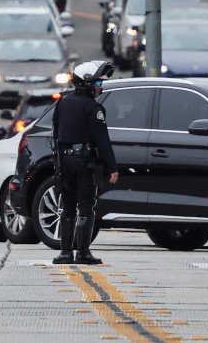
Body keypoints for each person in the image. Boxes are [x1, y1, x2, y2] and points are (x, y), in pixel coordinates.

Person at [51, 60, 118, 265]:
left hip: (64, 161)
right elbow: (102, 140)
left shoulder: (62, 102)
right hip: (84, 162)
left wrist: (58, 163)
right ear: (87, 82)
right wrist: (112, 168)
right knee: (86, 206)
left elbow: (55, 133)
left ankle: (64, 253)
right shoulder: (93, 108)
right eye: (97, 81)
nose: (100, 86)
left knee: (68, 205)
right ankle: (82, 252)